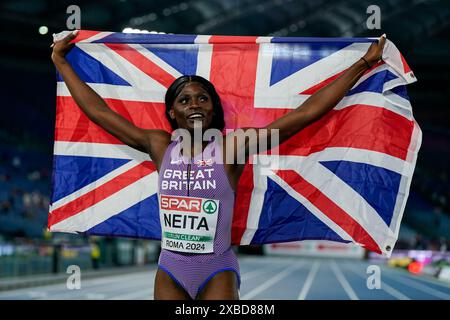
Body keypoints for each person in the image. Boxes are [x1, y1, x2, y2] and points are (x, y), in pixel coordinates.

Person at [51, 30, 385, 300]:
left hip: (216, 269)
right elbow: (99, 113)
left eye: (202, 98)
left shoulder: (233, 147)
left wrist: (361, 65)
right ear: (172, 112)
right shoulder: (158, 145)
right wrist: (61, 62)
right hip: (169, 269)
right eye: (184, 100)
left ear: (213, 109)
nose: (194, 105)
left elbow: (304, 115)